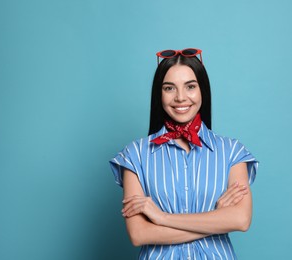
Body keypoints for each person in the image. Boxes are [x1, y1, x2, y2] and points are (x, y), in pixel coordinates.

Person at [110, 48, 258, 259]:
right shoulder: (135, 155)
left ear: (202, 91)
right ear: (158, 94)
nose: (180, 97)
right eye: (169, 88)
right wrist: (215, 219)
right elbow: (139, 234)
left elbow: (240, 220)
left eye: (190, 86)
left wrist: (161, 217)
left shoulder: (232, 152)